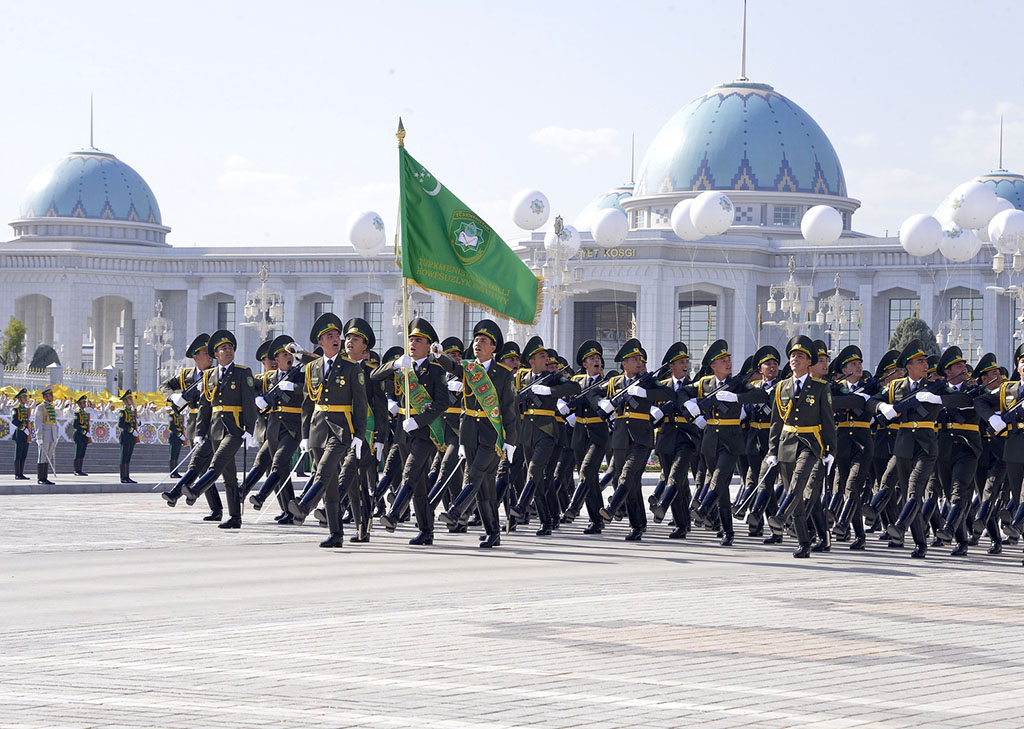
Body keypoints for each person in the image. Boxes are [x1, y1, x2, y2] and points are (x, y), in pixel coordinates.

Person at [436, 319, 519, 548]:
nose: (477, 344)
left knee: (475, 474)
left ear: (493, 348)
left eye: (483, 341)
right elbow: (451, 367)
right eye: (475, 340)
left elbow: (510, 409)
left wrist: (511, 441)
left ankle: (455, 511)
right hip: (470, 431)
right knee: (485, 486)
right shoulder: (469, 368)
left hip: (492, 434)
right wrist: (438, 354)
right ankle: (493, 532)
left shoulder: (503, 374)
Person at [288, 313, 367, 547]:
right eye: (329, 336)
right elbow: (307, 404)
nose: (336, 339)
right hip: (317, 429)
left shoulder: (351, 368)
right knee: (330, 486)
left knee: (324, 470)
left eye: (337, 336)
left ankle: (304, 506)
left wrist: (360, 435)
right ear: (320, 343)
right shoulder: (312, 367)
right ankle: (336, 534)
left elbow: (360, 404)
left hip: (341, 428)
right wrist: (305, 435)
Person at [373, 317, 448, 544]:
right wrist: (394, 365)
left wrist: (420, 420)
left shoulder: (436, 370)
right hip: (403, 430)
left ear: (428, 345)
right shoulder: (402, 366)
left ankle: (394, 515)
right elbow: (373, 376)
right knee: (420, 484)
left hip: (424, 432)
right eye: (411, 340)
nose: (413, 344)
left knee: (410, 472)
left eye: (418, 340)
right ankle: (426, 531)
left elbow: (442, 402)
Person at [867, 339, 943, 558]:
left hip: (926, 445)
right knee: (910, 495)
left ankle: (900, 526)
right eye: (920, 361)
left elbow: (960, 397)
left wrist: (937, 398)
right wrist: (884, 407)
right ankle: (920, 543)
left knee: (915, 488)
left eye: (925, 361)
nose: (925, 365)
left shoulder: (935, 386)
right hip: (903, 446)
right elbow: (871, 401)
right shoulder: (896, 387)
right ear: (908, 366)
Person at [765, 335, 837, 558]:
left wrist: (830, 450)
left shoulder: (820, 387)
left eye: (801, 356)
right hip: (787, 444)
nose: (796, 359)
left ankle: (780, 515)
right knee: (793, 494)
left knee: (799, 481)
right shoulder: (781, 388)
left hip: (810, 443)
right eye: (793, 355)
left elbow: (828, 421)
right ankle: (804, 542)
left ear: (809, 362)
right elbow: (776, 422)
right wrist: (772, 451)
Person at [597, 338, 673, 541]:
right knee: (629, 483)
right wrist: (604, 404)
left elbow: (668, 393)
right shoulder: (615, 383)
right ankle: (637, 525)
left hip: (642, 437)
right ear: (624, 363)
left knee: (628, 475)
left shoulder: (648, 380)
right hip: (620, 436)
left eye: (640, 358)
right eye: (634, 359)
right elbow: (594, 393)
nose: (639, 362)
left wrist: (644, 393)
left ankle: (612, 509)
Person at [184, 330, 259, 529]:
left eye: (230, 348)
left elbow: (249, 402)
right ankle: (235, 517)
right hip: (215, 429)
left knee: (216, 463)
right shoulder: (209, 375)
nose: (228, 351)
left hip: (235, 428)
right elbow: (205, 406)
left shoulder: (243, 372)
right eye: (223, 349)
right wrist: (200, 432)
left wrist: (249, 429)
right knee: (229, 476)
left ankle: (196, 490)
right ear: (216, 355)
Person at [508, 336, 581, 535]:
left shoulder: (554, 376)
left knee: (534, 469)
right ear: (532, 361)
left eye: (547, 355)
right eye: (542, 356)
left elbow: (575, 387)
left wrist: (550, 391)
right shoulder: (521, 377)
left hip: (548, 431)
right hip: (526, 433)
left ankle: (522, 505)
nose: (546, 359)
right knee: (539, 479)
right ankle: (547, 519)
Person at [159, 334, 224, 521]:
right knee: (203, 468)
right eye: (206, 353)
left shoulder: (216, 373)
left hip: (212, 423)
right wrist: (173, 397)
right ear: (196, 357)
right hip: (193, 424)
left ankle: (176, 493)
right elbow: (165, 385)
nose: (210, 356)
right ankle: (214, 508)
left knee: (197, 463)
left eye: (211, 353)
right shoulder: (186, 375)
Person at [248, 334, 306, 524]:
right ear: (276, 359)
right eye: (283, 353)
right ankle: (289, 511)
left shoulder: (301, 375)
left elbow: (314, 385)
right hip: (273, 428)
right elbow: (249, 384)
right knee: (281, 471)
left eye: (290, 353)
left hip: (293, 428)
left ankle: (261, 495)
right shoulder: (269, 378)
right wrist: (258, 398)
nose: (288, 356)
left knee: (279, 463)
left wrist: (294, 387)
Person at [650, 342, 704, 539]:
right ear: (671, 366)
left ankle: (663, 506)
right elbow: (652, 410)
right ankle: (682, 524)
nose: (685, 365)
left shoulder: (695, 386)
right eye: (681, 362)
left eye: (686, 362)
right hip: (666, 437)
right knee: (679, 485)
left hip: (687, 437)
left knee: (676, 474)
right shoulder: (661, 386)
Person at [34, 385, 59, 485]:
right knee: (42, 456)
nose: (52, 396)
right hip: (44, 435)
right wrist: (39, 437)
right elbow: (38, 423)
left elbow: (54, 422)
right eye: (50, 395)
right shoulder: (40, 408)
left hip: (51, 435)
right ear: (45, 397)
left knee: (48, 456)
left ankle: (45, 477)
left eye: (52, 395)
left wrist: (55, 436)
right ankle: (40, 478)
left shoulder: (51, 407)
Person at [117, 390, 139, 484]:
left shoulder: (131, 411)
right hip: (125, 436)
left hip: (131, 437)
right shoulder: (123, 411)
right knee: (124, 456)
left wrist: (138, 423)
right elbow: (121, 424)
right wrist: (131, 430)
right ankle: (123, 477)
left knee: (128, 457)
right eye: (130, 398)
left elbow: (132, 422)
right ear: (125, 400)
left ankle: (127, 476)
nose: (131, 399)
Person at [12, 388, 31, 480]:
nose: (25, 398)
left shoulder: (27, 409)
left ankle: (21, 473)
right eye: (24, 397)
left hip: (26, 434)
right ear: (19, 399)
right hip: (19, 433)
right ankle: (17, 473)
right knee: (18, 454)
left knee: (24, 454)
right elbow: (14, 421)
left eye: (26, 397)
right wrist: (23, 428)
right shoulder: (16, 409)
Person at [71, 394, 91, 476]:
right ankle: (76, 470)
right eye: (83, 403)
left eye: (85, 402)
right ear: (79, 404)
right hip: (79, 434)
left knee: (82, 452)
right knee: (78, 452)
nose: (84, 404)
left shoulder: (85, 413)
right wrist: (84, 432)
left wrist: (87, 432)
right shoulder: (78, 413)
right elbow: (75, 425)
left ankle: (80, 469)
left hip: (84, 435)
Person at [168, 404, 185, 478]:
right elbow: (171, 427)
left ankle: (176, 472)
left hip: (179, 438)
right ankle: (172, 472)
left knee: (176, 455)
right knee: (172, 455)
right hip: (174, 437)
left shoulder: (179, 415)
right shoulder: (172, 415)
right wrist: (179, 434)